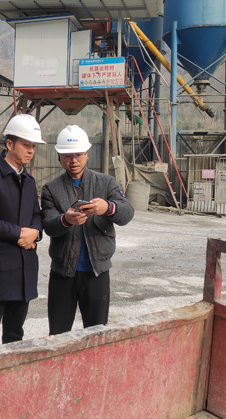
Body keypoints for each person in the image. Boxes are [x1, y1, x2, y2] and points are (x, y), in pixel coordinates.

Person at [41, 125, 133, 335]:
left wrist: (108, 208)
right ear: (59, 156)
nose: (73, 160)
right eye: (67, 155)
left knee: (96, 334)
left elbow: (127, 213)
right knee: (58, 336)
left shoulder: (106, 183)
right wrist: (65, 220)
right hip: (63, 273)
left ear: (87, 154)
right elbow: (48, 225)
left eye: (79, 154)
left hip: (96, 273)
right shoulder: (51, 189)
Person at [0, 114, 44, 349]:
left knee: (15, 335)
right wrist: (19, 234)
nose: (31, 150)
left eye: (33, 146)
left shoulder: (29, 180)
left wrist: (35, 233)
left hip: (24, 269)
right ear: (10, 144)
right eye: (26, 144)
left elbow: (37, 214)